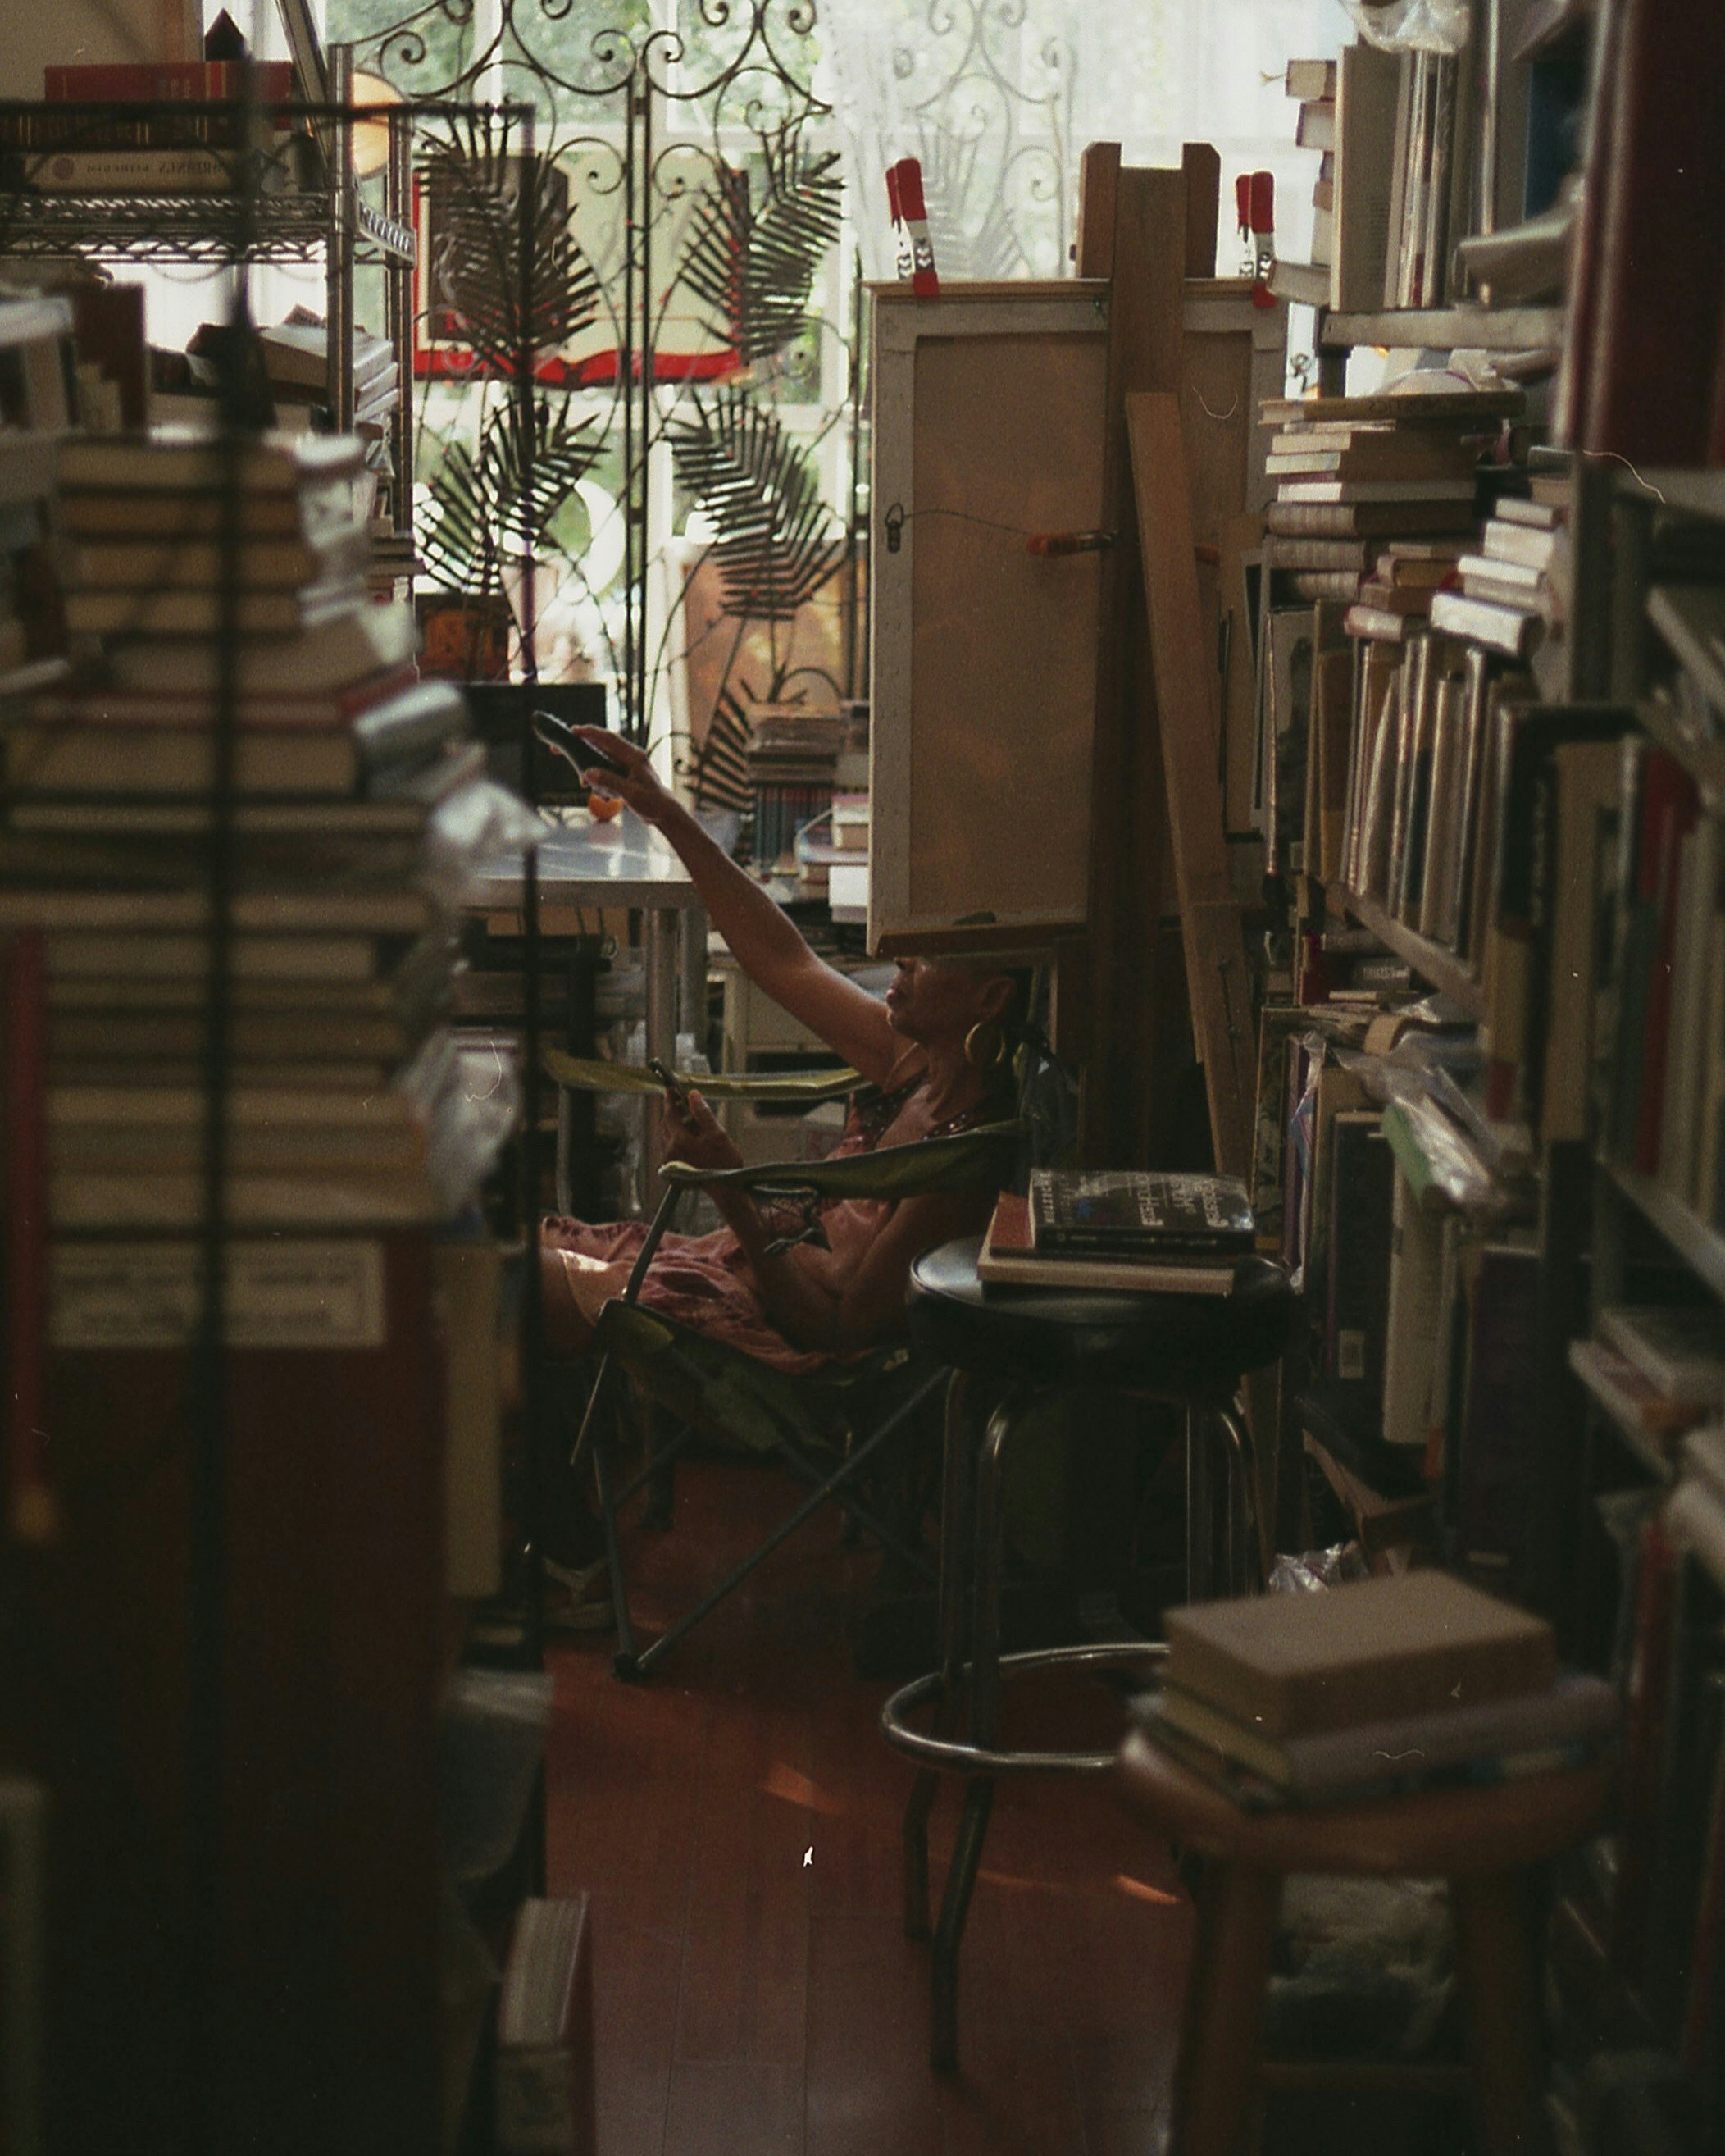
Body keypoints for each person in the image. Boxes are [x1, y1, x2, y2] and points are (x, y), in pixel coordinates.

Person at [538, 726, 1026, 1371]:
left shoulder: (961, 1164)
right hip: (731, 1265)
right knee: (515, 1248)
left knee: (505, 1282)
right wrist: (665, 812)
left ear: (989, 999)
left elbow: (836, 1324)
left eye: (929, 953)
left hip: (760, 1325)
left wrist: (726, 1181)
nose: (897, 953)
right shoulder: (914, 1065)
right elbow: (782, 959)